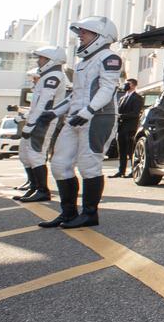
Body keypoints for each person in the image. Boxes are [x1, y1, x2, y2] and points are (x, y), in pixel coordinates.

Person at [32, 18, 121, 229]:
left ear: (101, 36)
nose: (80, 35)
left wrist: (89, 111)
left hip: (99, 118)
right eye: (80, 32)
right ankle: (68, 213)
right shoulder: (82, 63)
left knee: (89, 165)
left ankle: (90, 214)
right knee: (60, 164)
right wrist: (53, 113)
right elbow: (74, 96)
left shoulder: (110, 57)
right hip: (76, 118)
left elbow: (108, 89)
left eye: (86, 32)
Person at [17, 47, 68, 203]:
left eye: (42, 58)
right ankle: (34, 186)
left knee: (36, 155)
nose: (39, 61)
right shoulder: (47, 76)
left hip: (43, 120)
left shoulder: (54, 76)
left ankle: (42, 190)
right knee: (25, 156)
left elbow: (44, 102)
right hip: (36, 119)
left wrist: (30, 124)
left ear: (51, 60)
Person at [109, 78, 143, 178]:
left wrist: (121, 116)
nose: (125, 85)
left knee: (130, 151)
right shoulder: (122, 98)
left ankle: (133, 171)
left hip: (130, 128)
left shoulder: (137, 98)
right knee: (122, 151)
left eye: (128, 84)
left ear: (133, 85)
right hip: (121, 128)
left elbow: (135, 113)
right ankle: (121, 171)